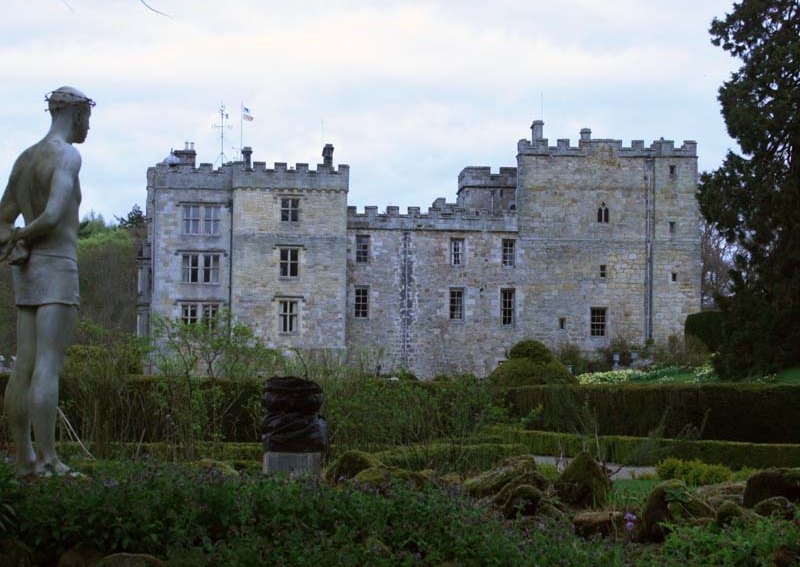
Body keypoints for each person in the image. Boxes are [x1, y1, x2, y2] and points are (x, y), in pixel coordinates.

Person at [0, 87, 94, 476]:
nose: (88, 125)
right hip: (55, 263)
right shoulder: (66, 155)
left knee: (24, 366)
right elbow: (55, 215)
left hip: (26, 269)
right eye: (87, 117)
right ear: (75, 114)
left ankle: (24, 461)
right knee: (47, 367)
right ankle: (50, 460)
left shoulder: (26, 158)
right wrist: (25, 236)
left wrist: (15, 240)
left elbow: (3, 215)